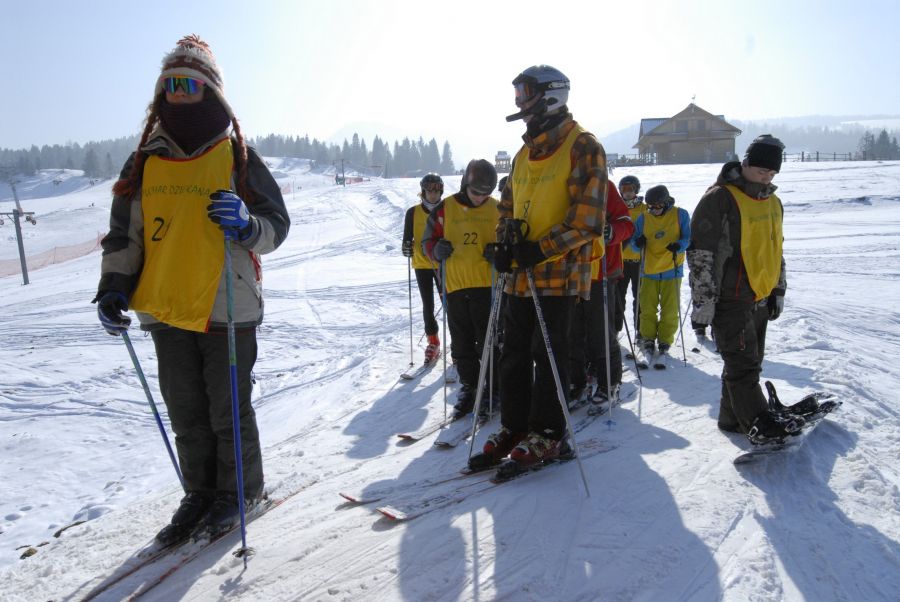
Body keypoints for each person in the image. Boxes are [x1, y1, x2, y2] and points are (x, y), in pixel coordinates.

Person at [94, 35, 290, 546]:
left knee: (227, 409)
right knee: (187, 412)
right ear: (160, 95)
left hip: (228, 303)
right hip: (165, 306)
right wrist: (114, 287)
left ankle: (241, 492)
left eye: (191, 84)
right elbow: (124, 237)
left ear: (211, 91)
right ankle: (200, 492)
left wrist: (248, 226)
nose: (180, 93)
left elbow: (276, 223)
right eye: (170, 85)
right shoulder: (144, 162)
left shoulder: (238, 155)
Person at [478, 64, 607, 469]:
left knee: (547, 354)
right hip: (520, 275)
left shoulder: (583, 146)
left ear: (552, 95)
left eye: (526, 93)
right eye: (517, 93)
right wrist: (504, 243)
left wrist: (539, 250)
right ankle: (516, 426)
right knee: (512, 353)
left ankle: (550, 434)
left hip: (560, 274)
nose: (519, 102)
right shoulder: (522, 154)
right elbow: (507, 207)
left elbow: (588, 221)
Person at [687, 134, 802, 439]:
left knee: (749, 363)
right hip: (730, 297)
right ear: (746, 163)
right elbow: (701, 254)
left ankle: (732, 419)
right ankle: (759, 423)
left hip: (760, 295)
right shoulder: (720, 199)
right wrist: (703, 302)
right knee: (743, 365)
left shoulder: (772, 202)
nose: (766, 178)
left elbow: (776, 248)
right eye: (761, 171)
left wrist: (778, 290)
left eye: (772, 173)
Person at [423, 160, 499, 418]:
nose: (480, 199)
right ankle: (470, 385)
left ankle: (493, 388)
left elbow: (507, 240)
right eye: (476, 193)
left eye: (485, 194)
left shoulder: (497, 208)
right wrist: (436, 250)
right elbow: (427, 241)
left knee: (487, 341)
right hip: (454, 286)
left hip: (486, 286)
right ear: (466, 184)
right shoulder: (446, 209)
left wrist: (498, 252)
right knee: (462, 343)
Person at [570, 180, 633, 405]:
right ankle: (576, 380)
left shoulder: (604, 186)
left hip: (601, 272)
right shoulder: (563, 182)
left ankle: (610, 383)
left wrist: (612, 231)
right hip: (571, 271)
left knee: (601, 332)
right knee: (572, 331)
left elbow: (627, 223)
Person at [630, 185, 690, 362]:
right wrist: (637, 244)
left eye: (657, 206)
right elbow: (633, 242)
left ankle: (665, 340)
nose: (653, 210)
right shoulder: (643, 218)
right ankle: (648, 337)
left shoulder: (681, 214)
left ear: (665, 202)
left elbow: (688, 237)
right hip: (648, 270)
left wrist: (679, 245)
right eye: (650, 206)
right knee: (647, 308)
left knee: (670, 310)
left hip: (672, 269)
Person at [402, 173, 444, 363]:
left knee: (450, 305)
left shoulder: (447, 210)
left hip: (443, 264)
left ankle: (460, 343)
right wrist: (407, 248)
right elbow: (406, 241)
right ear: (423, 192)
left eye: (436, 191)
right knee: (428, 306)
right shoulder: (412, 213)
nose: (433, 195)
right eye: (429, 191)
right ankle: (433, 341)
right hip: (421, 264)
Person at [615, 175, 644, 336]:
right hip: (621, 261)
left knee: (639, 298)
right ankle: (616, 328)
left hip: (639, 260)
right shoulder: (617, 208)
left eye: (630, 189)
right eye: (623, 189)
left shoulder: (644, 209)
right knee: (618, 297)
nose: (627, 193)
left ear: (636, 190)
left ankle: (640, 329)